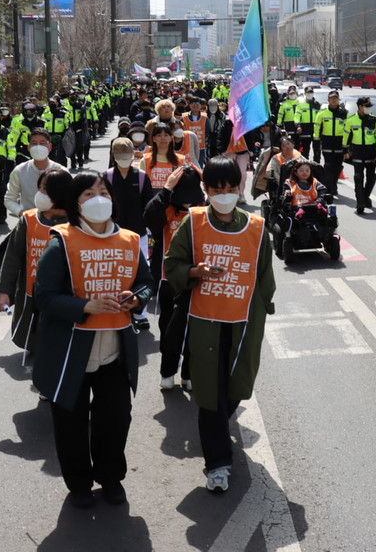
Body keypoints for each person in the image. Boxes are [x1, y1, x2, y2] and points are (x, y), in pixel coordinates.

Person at [31, 170, 155, 509]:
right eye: (88, 194)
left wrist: (136, 299)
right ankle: (79, 485)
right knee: (70, 423)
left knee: (115, 419)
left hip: (114, 351)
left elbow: (146, 282)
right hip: (71, 352)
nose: (99, 199)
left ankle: (111, 478)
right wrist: (84, 306)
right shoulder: (61, 242)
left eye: (104, 192)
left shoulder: (129, 240)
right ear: (75, 204)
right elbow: (44, 296)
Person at [163, 157, 276, 493]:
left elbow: (265, 274)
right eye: (216, 188)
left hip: (243, 323)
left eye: (230, 187)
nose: (224, 194)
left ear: (239, 187)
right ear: (206, 190)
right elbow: (172, 264)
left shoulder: (256, 227)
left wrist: (264, 306)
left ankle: (213, 429)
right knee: (209, 394)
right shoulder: (194, 222)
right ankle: (217, 464)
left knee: (236, 387)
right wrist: (195, 271)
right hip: (204, 323)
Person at [0, 168, 72, 354]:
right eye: (39, 188)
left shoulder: (78, 221)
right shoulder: (28, 220)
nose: (40, 193)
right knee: (35, 334)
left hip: (68, 294)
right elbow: (12, 258)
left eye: (45, 189)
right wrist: (4, 291)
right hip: (33, 292)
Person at [144, 164, 206, 390]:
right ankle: (167, 371)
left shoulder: (204, 209)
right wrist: (166, 190)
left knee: (195, 329)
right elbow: (149, 217)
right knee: (169, 328)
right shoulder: (166, 208)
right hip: (167, 278)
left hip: (198, 279)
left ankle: (189, 374)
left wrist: (205, 181)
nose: (188, 203)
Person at [104, 138, 155, 331]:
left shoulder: (141, 177)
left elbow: (148, 204)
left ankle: (140, 314)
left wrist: (148, 227)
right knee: (115, 272)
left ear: (133, 155)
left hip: (138, 234)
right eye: (120, 156)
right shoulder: (106, 177)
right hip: (112, 235)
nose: (124, 159)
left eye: (127, 155)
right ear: (113, 156)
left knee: (142, 272)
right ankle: (116, 308)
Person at [4, 128, 65, 219]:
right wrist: (23, 214)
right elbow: (9, 199)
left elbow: (71, 200)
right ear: (28, 147)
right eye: (34, 143)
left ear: (50, 147)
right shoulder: (19, 171)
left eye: (42, 143)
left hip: (57, 223)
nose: (38, 147)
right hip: (30, 224)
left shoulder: (61, 171)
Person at [343, 96, 376, 215]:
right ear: (360, 107)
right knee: (358, 177)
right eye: (366, 106)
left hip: (371, 152)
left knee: (371, 177)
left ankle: (365, 197)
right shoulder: (351, 120)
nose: (369, 108)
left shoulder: (374, 120)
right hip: (358, 151)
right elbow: (346, 137)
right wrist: (345, 151)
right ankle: (360, 203)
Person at [313, 90, 348, 197]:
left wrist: (347, 146)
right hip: (327, 142)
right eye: (332, 98)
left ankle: (333, 185)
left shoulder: (344, 113)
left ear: (338, 100)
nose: (334, 100)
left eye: (335, 98)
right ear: (328, 100)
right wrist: (316, 144)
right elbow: (317, 129)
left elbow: (348, 130)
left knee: (337, 167)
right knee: (328, 166)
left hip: (339, 143)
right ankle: (328, 187)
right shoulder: (322, 113)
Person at [140, 122, 185, 190]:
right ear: (154, 139)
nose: (163, 138)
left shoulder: (181, 160)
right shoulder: (145, 160)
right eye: (159, 135)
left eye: (166, 135)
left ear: (171, 138)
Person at [297, 86, 323, 161]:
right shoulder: (300, 105)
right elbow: (297, 116)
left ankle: (316, 166)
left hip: (316, 131)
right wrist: (298, 126)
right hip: (305, 131)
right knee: (304, 152)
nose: (310, 94)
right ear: (305, 93)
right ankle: (305, 166)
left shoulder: (317, 105)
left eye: (311, 92)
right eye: (308, 92)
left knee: (317, 152)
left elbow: (322, 118)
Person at [182, 97, 210, 166]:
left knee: (199, 167)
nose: (195, 105)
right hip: (188, 147)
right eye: (193, 103)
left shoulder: (205, 117)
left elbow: (207, 131)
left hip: (201, 147)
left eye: (197, 103)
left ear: (200, 105)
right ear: (189, 105)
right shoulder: (183, 117)